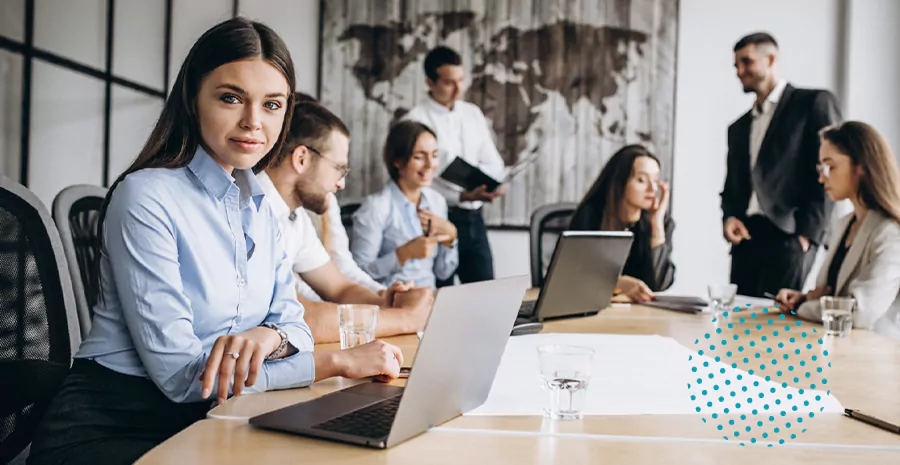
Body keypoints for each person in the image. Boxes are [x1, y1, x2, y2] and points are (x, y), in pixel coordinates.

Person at [27, 18, 403, 465]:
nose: (253, 122)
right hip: (113, 430)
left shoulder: (261, 202)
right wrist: (338, 363)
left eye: (272, 105)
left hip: (215, 420)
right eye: (231, 98)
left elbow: (295, 326)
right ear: (192, 98)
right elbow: (185, 379)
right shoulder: (146, 196)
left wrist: (270, 337)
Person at [257, 98, 433, 343]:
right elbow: (295, 319)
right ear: (301, 159)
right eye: (339, 168)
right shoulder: (251, 214)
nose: (341, 184)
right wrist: (405, 318)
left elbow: (340, 288)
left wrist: (386, 302)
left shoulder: (295, 219)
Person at [720, 32, 842, 297]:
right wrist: (729, 216)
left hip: (790, 237)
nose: (739, 71)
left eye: (747, 62)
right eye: (736, 65)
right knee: (738, 327)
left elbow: (831, 168)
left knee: (777, 329)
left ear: (771, 59)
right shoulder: (738, 128)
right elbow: (732, 184)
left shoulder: (813, 103)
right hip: (746, 241)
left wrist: (807, 236)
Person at [775, 122, 900, 340]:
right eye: (820, 168)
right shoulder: (843, 224)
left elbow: (859, 313)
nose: (822, 178)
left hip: (873, 356)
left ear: (861, 167)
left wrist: (805, 308)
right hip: (835, 347)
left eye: (830, 167)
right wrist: (803, 299)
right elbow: (833, 297)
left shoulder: (890, 233)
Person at [402, 45, 505, 286]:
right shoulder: (414, 120)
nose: (458, 89)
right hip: (436, 218)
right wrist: (462, 195)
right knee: (441, 296)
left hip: (475, 220)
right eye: (449, 83)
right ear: (430, 82)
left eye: (461, 80)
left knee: (486, 293)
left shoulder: (473, 114)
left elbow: (493, 162)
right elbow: (416, 180)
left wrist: (492, 186)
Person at [351, 121, 459, 288]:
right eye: (419, 156)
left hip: (429, 301)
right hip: (390, 303)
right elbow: (357, 275)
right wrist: (402, 254)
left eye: (434, 155)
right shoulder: (375, 207)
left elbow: (443, 272)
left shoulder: (437, 202)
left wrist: (451, 237)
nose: (430, 164)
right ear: (398, 161)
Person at [569, 145, 675, 302]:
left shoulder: (658, 222)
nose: (652, 189)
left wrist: (657, 225)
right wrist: (616, 283)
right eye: (641, 180)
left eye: (656, 180)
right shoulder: (591, 215)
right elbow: (575, 278)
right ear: (620, 182)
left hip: (641, 318)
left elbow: (659, 285)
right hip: (595, 313)